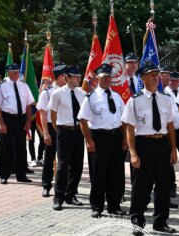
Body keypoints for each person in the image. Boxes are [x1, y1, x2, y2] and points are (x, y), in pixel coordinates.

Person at [122, 60, 177, 235]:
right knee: (141, 186)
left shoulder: (166, 99)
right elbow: (130, 128)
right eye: (152, 75)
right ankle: (138, 222)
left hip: (162, 144)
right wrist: (133, 153)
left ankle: (160, 222)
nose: (156, 77)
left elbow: (170, 126)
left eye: (157, 74)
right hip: (143, 144)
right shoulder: (135, 101)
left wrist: (173, 149)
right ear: (143, 78)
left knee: (163, 185)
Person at [78, 63, 128, 218]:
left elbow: (124, 120)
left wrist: (125, 139)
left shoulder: (117, 96)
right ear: (98, 79)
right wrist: (89, 141)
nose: (108, 79)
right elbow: (83, 120)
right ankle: (97, 207)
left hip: (116, 138)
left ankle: (114, 206)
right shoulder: (91, 97)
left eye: (109, 77)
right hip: (99, 138)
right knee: (99, 175)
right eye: (105, 77)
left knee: (116, 174)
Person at [48, 65, 86, 210]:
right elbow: (52, 114)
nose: (78, 79)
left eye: (79, 77)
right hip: (64, 132)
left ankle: (71, 195)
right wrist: (58, 130)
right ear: (67, 77)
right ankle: (58, 198)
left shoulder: (81, 93)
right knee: (62, 166)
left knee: (77, 166)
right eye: (75, 77)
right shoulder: (57, 93)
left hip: (78, 132)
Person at [0, 63, 35, 184]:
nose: (17, 74)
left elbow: (28, 104)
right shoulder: (1, 86)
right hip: (7, 118)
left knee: (21, 147)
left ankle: (21, 175)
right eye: (14, 73)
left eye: (17, 72)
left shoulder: (24, 86)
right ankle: (4, 175)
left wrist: (28, 121)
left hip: (21, 119)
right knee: (6, 148)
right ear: (8, 73)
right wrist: (1, 123)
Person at [37, 64, 67, 197]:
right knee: (49, 158)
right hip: (51, 127)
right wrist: (46, 133)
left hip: (65, 127)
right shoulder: (47, 93)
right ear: (61, 76)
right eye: (66, 75)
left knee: (65, 159)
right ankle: (46, 186)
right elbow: (43, 114)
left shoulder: (68, 91)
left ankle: (65, 187)